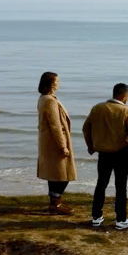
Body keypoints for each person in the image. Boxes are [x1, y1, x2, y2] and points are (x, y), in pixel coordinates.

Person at [83, 83, 128, 229]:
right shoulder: (127, 111)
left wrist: (91, 145)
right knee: (121, 187)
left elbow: (86, 128)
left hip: (103, 153)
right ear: (123, 95)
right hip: (121, 153)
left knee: (101, 184)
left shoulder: (98, 108)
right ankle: (121, 219)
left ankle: (96, 216)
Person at [37, 72, 77, 215]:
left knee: (55, 173)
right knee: (63, 174)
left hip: (48, 141)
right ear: (50, 84)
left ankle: (55, 202)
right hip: (55, 142)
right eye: (57, 81)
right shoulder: (50, 100)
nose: (58, 83)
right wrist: (62, 146)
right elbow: (55, 125)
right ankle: (55, 203)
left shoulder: (44, 98)